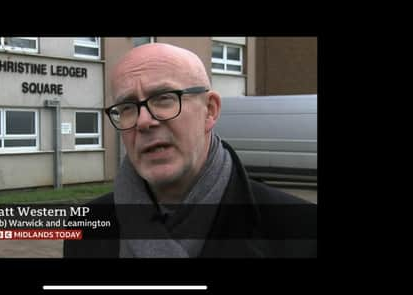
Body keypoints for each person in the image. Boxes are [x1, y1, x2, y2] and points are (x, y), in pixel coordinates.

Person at [64, 43, 316, 258]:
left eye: (164, 98)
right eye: (127, 107)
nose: (143, 121)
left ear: (210, 110)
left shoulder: (302, 228)